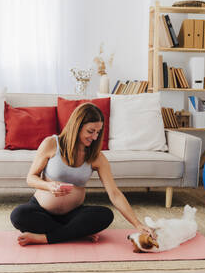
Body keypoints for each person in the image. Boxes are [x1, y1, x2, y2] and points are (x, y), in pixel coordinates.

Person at [10, 102, 153, 246]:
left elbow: (114, 194)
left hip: (73, 214)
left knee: (105, 215)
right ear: (77, 126)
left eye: (98, 132)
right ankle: (75, 233)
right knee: (19, 215)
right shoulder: (51, 144)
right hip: (41, 210)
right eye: (91, 131)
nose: (95, 137)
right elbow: (31, 178)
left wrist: (137, 224)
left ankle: (44, 238)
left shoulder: (97, 157)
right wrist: (49, 186)